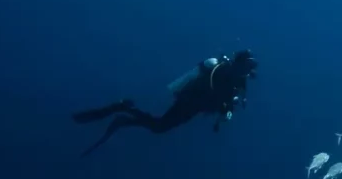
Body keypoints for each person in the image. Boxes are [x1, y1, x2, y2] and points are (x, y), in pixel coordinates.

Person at [73, 49, 258, 155]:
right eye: (248, 65)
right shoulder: (223, 71)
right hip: (188, 103)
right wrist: (225, 107)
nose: (249, 70)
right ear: (239, 63)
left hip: (194, 108)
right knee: (159, 127)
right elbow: (217, 95)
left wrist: (227, 111)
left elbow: (226, 101)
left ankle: (125, 116)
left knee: (159, 127)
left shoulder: (238, 80)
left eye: (251, 67)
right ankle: (124, 110)